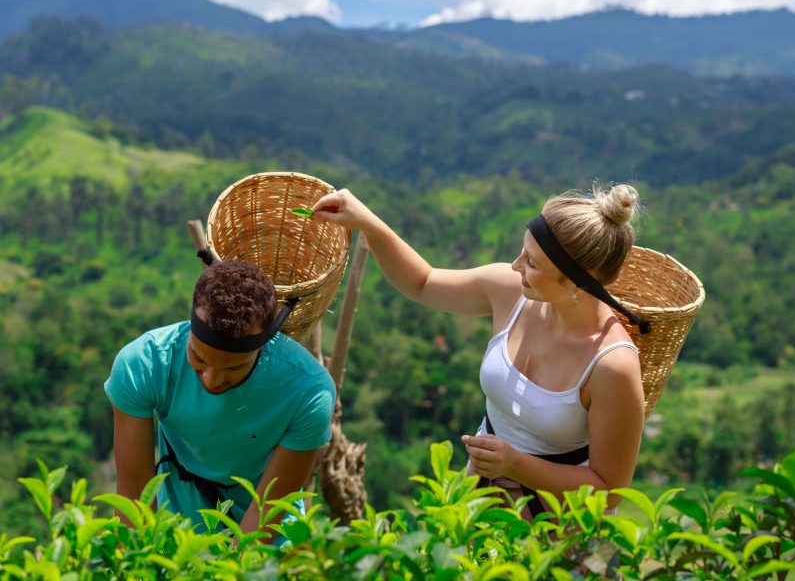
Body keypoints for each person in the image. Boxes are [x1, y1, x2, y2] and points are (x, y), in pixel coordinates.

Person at [312, 184, 646, 519]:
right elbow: (423, 282)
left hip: (559, 523)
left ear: (576, 282)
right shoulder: (510, 293)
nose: (516, 266)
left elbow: (608, 491)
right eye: (522, 252)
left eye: (531, 262)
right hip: (481, 497)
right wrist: (369, 224)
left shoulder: (612, 365)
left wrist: (516, 465)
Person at [105, 259, 335, 541]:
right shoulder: (145, 363)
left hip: (270, 534)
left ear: (261, 349)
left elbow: (266, 510)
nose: (211, 380)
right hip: (180, 524)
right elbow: (135, 492)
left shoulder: (307, 391)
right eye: (199, 359)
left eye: (234, 368)